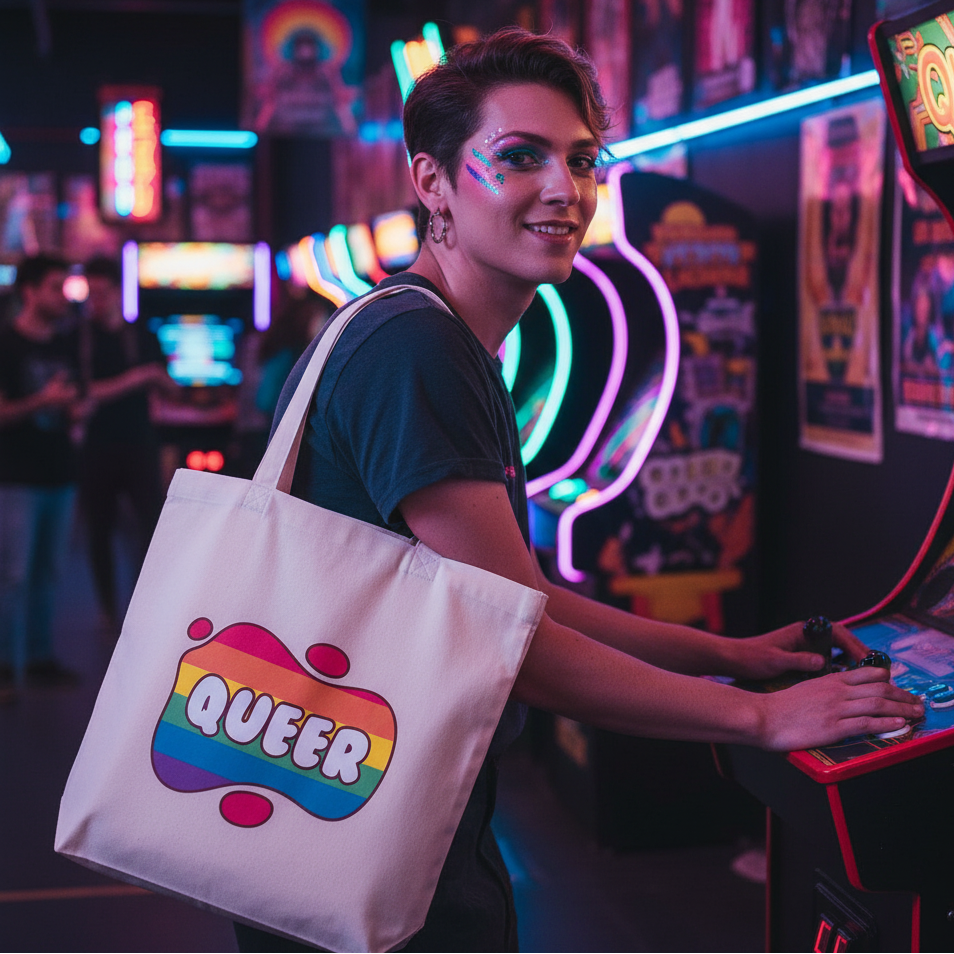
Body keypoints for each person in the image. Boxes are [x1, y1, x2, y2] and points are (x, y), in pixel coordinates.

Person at [237, 28, 922, 953]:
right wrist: (757, 716)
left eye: (582, 159)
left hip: (366, 801)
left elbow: (522, 598)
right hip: (352, 835)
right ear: (432, 180)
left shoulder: (436, 337)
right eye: (521, 157)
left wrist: (728, 654)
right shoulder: (416, 349)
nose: (565, 188)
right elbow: (514, 643)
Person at [77, 257, 170, 636]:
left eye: (102, 293)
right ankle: (107, 609)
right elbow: (83, 393)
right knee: (100, 530)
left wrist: (167, 383)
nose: (95, 302)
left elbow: (166, 381)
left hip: (139, 443)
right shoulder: (80, 338)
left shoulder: (141, 334)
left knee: (150, 528)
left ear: (118, 292)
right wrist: (140, 376)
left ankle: (146, 605)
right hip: (97, 445)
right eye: (91, 294)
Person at [0, 254, 80, 691]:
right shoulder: (6, 344)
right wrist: (43, 402)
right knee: (12, 576)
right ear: (29, 291)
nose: (63, 296)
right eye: (55, 286)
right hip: (16, 478)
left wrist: (76, 409)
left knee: (48, 573)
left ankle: (38, 658)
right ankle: (3, 667)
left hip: (60, 473)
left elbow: (77, 400)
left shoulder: (64, 343)